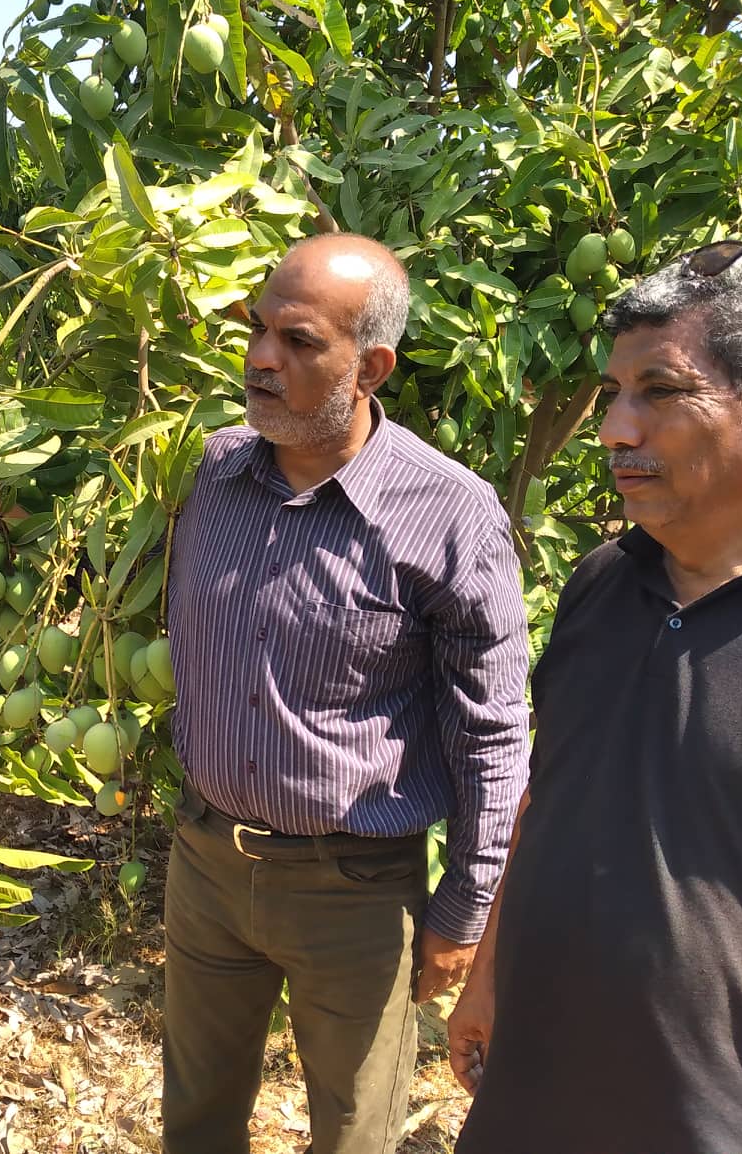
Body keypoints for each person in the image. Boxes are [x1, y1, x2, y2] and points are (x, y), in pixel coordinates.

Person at [449, 241, 742, 1154]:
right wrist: (491, 971)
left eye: (661, 392)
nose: (616, 428)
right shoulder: (602, 581)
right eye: (616, 394)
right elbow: (554, 789)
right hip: (535, 1102)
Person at [162, 234, 531, 1154]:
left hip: (356, 891)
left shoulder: (447, 512)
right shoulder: (213, 473)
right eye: (256, 331)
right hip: (207, 863)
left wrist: (465, 907)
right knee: (196, 1118)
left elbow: (492, 733)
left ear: (370, 367)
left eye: (297, 340)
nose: (258, 358)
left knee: (356, 1132)